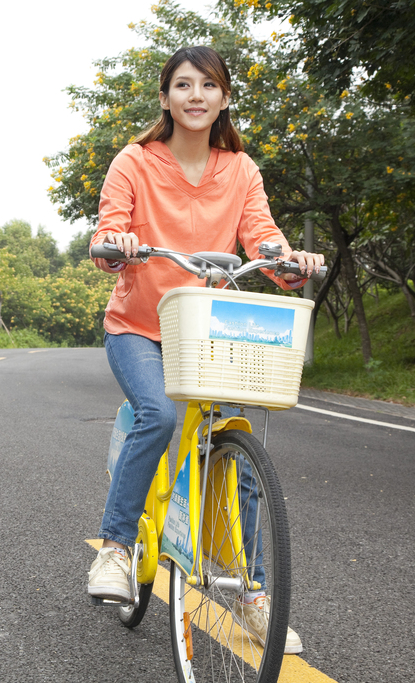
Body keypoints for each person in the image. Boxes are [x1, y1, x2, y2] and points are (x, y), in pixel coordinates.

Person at [86, 45, 323, 655]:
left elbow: (262, 237)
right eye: (183, 86)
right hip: (139, 326)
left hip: (210, 328)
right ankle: (115, 548)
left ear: (223, 99)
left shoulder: (240, 170)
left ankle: (251, 594)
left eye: (208, 86)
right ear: (165, 98)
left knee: (237, 443)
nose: (196, 96)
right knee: (158, 414)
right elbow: (108, 230)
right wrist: (116, 244)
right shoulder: (134, 162)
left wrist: (290, 264)